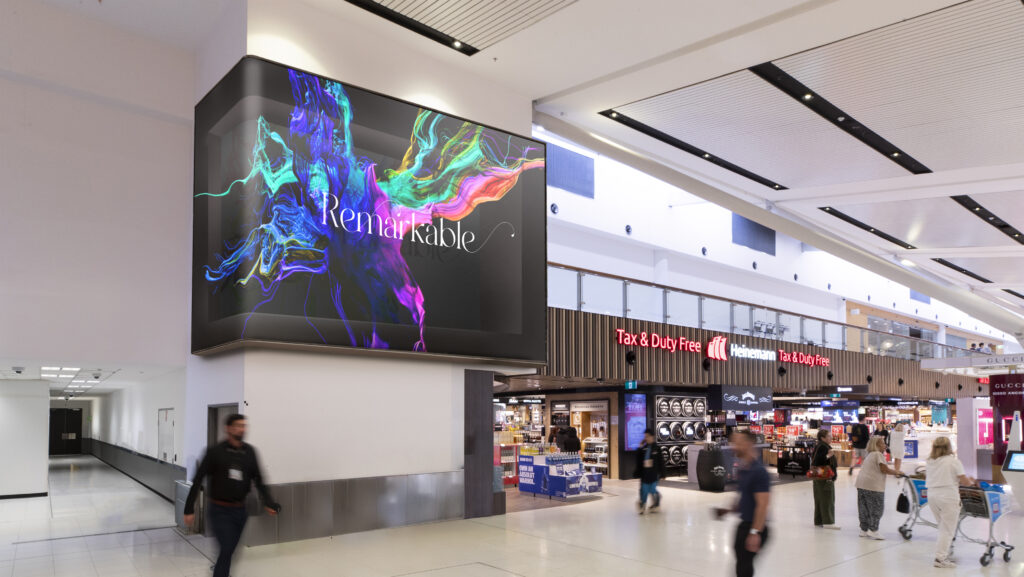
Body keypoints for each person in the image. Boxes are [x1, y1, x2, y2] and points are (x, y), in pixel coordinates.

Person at [184, 414, 279, 577]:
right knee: (227, 547)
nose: (241, 429)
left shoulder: (250, 452)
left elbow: (259, 479)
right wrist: (188, 509)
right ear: (228, 429)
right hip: (219, 510)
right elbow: (198, 479)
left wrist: (269, 502)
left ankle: (220, 567)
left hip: (240, 511)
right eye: (237, 426)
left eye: (243, 426)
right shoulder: (215, 452)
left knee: (230, 550)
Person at [717, 430, 771, 577]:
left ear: (748, 445)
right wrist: (727, 510)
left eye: (738, 443)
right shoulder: (743, 469)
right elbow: (743, 498)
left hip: (755, 527)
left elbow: (762, 505)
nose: (733, 447)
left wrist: (755, 533)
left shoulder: (759, 471)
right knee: (742, 563)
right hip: (744, 524)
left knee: (744, 566)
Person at [926, 436, 976, 569]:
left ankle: (942, 554)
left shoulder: (930, 461)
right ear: (949, 447)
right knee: (947, 530)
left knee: (942, 527)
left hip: (932, 496)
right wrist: (972, 481)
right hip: (948, 497)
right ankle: (940, 558)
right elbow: (965, 481)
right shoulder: (953, 462)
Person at [856, 436, 902, 539]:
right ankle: (873, 530)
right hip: (873, 485)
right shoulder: (878, 454)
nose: (885, 445)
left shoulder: (870, 455)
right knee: (877, 508)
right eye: (882, 443)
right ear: (876, 445)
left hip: (861, 484)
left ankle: (864, 529)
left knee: (864, 508)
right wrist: (897, 472)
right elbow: (884, 469)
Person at [810, 429, 840, 530]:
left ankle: (819, 520)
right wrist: (828, 455)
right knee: (827, 499)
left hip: (820, 477)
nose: (831, 438)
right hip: (825, 477)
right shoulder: (823, 446)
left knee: (819, 499)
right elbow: (818, 460)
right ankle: (828, 522)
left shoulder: (820, 446)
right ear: (823, 438)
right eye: (829, 436)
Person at [634, 428, 666, 514]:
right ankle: (643, 505)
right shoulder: (644, 448)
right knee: (644, 490)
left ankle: (657, 501)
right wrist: (640, 447)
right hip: (645, 474)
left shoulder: (657, 448)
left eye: (648, 436)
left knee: (652, 489)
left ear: (652, 437)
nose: (646, 438)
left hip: (653, 473)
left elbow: (661, 462)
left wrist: (663, 474)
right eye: (645, 437)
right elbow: (638, 459)